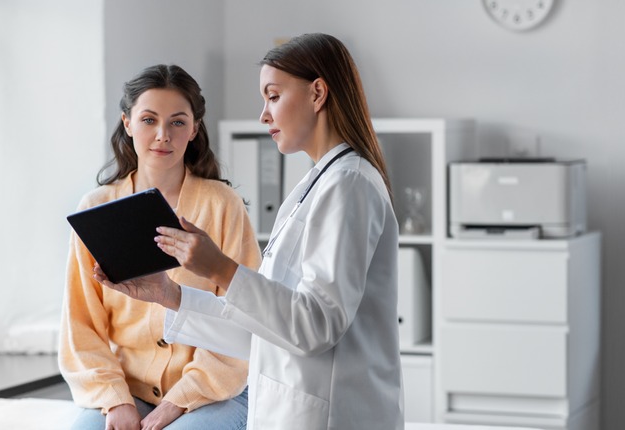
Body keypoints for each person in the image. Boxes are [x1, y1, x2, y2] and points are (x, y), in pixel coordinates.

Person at [96, 33, 404, 429]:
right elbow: (264, 330)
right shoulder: (317, 184)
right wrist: (168, 294)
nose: (264, 115)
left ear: (318, 93)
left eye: (273, 96)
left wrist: (220, 268)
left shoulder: (349, 184)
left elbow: (316, 325)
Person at [59, 64, 262, 430]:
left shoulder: (223, 205)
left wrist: (175, 405)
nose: (162, 135)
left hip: (216, 390)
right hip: (126, 389)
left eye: (178, 122)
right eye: (149, 120)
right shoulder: (95, 209)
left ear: (195, 128)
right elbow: (80, 326)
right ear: (127, 122)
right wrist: (115, 401)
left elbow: (246, 315)